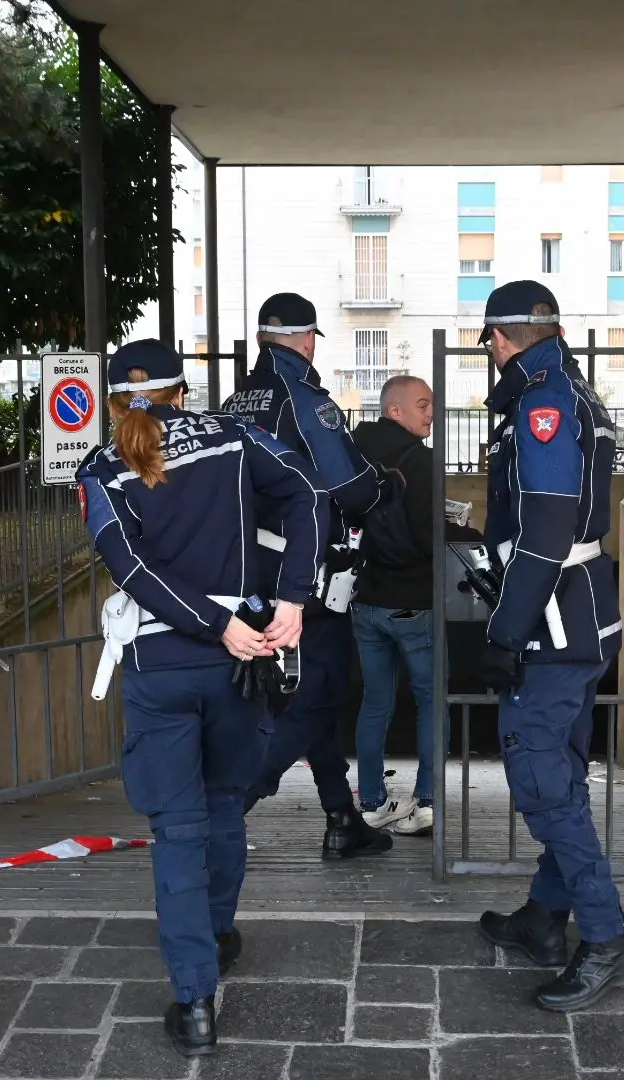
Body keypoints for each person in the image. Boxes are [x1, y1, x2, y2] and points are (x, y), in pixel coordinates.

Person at [78, 339, 326, 1056]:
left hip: (163, 664)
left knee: (179, 830)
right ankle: (216, 937)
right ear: (183, 388)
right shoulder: (235, 434)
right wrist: (292, 600)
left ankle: (195, 1002)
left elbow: (130, 569)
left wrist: (211, 625)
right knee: (223, 808)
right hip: (239, 660)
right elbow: (309, 494)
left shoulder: (102, 469)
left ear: (116, 399)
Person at [472, 280, 624, 1012]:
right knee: (561, 777)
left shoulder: (542, 402)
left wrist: (505, 632)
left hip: (553, 626)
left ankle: (606, 939)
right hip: (584, 618)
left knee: (542, 784)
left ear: (502, 340)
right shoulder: (575, 388)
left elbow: (544, 532)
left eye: (491, 345)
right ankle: (544, 919)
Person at [220, 292, 393, 859]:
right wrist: (383, 484)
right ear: (307, 338)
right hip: (304, 572)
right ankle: (228, 802)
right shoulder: (304, 398)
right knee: (315, 694)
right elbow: (349, 487)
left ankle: (341, 817)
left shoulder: (235, 399)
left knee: (306, 692)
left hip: (250, 567)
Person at [350, 375, 481, 835]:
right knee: (431, 702)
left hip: (364, 600)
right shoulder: (420, 462)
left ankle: (369, 804)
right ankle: (426, 804)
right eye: (423, 405)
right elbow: (431, 537)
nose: (432, 413)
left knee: (375, 704)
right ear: (395, 411)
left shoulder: (352, 453)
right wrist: (468, 534)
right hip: (413, 602)